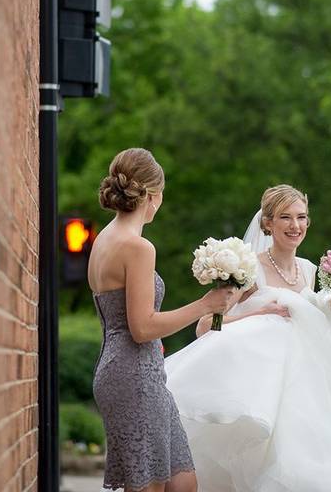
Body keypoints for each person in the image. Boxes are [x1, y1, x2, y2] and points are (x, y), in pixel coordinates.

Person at [165, 185, 331, 492]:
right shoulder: (249, 269)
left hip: (306, 393)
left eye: (301, 217)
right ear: (268, 223)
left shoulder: (311, 271)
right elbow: (205, 325)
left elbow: (315, 324)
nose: (294, 225)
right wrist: (259, 315)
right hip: (261, 391)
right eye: (285, 217)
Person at [89, 148, 236, 492]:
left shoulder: (104, 240)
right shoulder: (138, 247)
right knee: (149, 486)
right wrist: (205, 304)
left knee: (184, 482)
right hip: (134, 374)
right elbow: (142, 328)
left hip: (134, 373)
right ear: (152, 196)